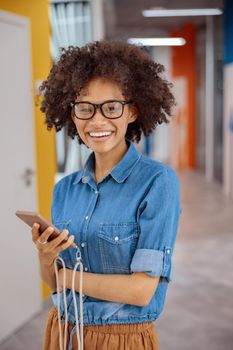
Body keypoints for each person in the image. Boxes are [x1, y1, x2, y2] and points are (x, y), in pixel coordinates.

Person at [32, 40, 182, 350]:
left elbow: (141, 290)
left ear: (133, 111)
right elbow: (53, 280)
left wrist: (66, 279)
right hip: (62, 331)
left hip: (121, 339)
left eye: (111, 107)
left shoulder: (158, 182)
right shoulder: (65, 189)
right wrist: (46, 260)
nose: (97, 121)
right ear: (71, 114)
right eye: (85, 108)